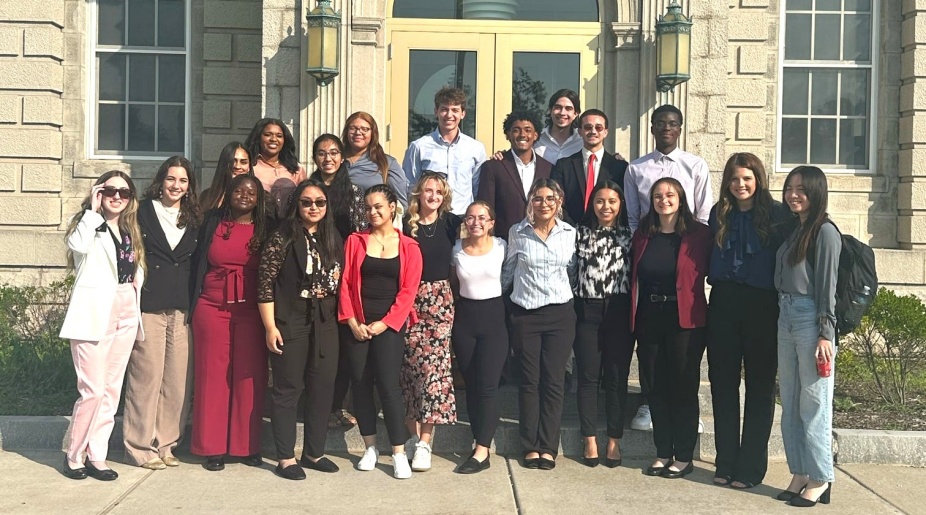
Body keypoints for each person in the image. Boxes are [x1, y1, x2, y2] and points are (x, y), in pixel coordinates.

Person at [624, 103, 713, 432]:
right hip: (651, 247)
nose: (666, 128)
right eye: (660, 123)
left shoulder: (695, 166)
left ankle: (687, 408)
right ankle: (648, 402)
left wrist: (693, 249)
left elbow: (703, 214)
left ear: (680, 128)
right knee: (649, 344)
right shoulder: (636, 169)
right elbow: (633, 217)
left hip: (685, 248)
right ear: (652, 128)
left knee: (684, 347)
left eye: (672, 124)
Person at [707, 153, 793, 489]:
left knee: (759, 386)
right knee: (723, 384)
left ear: (757, 178)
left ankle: (751, 466)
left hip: (762, 304)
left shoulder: (777, 216)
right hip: (724, 301)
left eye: (746, 178)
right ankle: (725, 461)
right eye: (734, 179)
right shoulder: (720, 214)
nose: (740, 185)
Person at [60, 171, 146, 481]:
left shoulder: (129, 231)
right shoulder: (89, 225)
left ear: (131, 197)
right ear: (99, 191)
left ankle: (98, 455)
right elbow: (77, 246)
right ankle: (73, 454)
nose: (117, 196)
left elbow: (134, 272)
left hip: (125, 310)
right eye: (110, 189)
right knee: (93, 391)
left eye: (124, 191)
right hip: (94, 315)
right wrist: (91, 211)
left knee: (111, 391)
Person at [258, 180, 344, 480]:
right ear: (297, 204)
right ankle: (285, 457)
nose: (313, 208)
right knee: (288, 389)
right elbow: (265, 284)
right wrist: (270, 326)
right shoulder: (282, 236)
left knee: (322, 388)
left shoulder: (332, 235)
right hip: (291, 317)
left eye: (320, 202)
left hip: (325, 319)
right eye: (307, 202)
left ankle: (314, 453)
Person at [338, 184, 423, 480]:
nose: (372, 212)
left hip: (390, 325)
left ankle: (399, 452)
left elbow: (408, 291)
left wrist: (386, 323)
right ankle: (370, 447)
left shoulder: (409, 247)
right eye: (368, 208)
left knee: (389, 386)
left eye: (378, 207)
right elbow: (346, 283)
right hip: (358, 324)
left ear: (392, 208)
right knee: (360, 383)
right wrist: (351, 321)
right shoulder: (355, 241)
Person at [123, 157, 200, 471]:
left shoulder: (194, 217)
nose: (176, 186)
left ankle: (166, 444)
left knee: (177, 381)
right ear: (161, 180)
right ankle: (140, 447)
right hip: (150, 306)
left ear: (189, 186)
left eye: (183, 181)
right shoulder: (141, 212)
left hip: (181, 308)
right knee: (146, 378)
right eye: (171, 179)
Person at [189, 174, 271, 471]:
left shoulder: (265, 228)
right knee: (213, 375)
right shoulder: (212, 221)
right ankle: (212, 447)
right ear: (229, 193)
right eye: (239, 190)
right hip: (212, 306)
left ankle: (246, 445)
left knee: (249, 376)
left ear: (259, 198)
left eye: (251, 191)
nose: (245, 195)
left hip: (251, 310)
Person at [631, 177, 711, 480]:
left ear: (680, 199)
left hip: (685, 322)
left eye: (670, 195)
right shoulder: (643, 234)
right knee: (654, 387)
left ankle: (683, 455)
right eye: (658, 195)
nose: (663, 199)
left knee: (683, 387)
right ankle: (662, 452)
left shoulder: (698, 235)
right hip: (650, 318)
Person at [774, 166, 840, 507]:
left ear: (816, 192)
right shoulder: (795, 230)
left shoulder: (825, 232)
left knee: (814, 405)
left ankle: (820, 477)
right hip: (785, 316)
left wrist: (825, 335)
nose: (793, 194)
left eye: (801, 189)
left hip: (811, 322)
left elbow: (827, 288)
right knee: (790, 405)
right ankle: (799, 471)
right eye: (789, 188)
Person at [502, 177, 577, 471]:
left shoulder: (570, 233)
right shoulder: (517, 232)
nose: (543, 204)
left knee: (555, 382)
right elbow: (508, 272)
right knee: (529, 381)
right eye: (538, 199)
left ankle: (548, 446)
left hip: (560, 314)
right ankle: (530, 445)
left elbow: (572, 271)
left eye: (549, 199)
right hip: (526, 314)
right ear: (530, 202)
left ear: (558, 203)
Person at [401, 172, 461, 472]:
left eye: (439, 191)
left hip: (440, 300)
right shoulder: (405, 224)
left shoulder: (451, 223)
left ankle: (426, 441)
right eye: (428, 190)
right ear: (418, 193)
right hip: (409, 299)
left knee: (433, 372)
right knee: (410, 370)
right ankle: (411, 437)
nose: (433, 196)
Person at [573, 181, 633, 468]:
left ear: (620, 204)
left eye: (612, 201)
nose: (605, 206)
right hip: (588, 311)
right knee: (586, 378)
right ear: (591, 204)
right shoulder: (579, 234)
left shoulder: (630, 234)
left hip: (619, 312)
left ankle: (613, 440)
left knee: (616, 378)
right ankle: (589, 439)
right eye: (599, 201)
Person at [309, 133, 366, 430]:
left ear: (342, 158)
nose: (327, 158)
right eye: (321, 153)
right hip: (310, 272)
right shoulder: (307, 189)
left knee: (341, 346)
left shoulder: (353, 191)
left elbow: (358, 234)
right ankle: (312, 405)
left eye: (333, 153)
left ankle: (335, 407)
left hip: (341, 274)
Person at [450, 201, 508, 474]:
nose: (476, 222)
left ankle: (483, 450)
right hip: (465, 320)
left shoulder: (502, 247)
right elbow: (452, 283)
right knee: (471, 384)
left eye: (482, 217)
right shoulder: (456, 250)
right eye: (470, 217)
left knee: (487, 385)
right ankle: (478, 438)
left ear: (492, 222)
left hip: (494, 319)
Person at [403, 86, 487, 215]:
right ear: (436, 111)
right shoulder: (419, 147)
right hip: (430, 218)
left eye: (455, 110)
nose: (449, 115)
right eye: (444, 109)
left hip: (463, 219)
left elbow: (477, 188)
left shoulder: (475, 148)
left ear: (463, 114)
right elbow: (410, 186)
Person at [476, 110, 553, 241]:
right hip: (504, 240)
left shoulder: (548, 168)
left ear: (535, 135)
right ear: (508, 135)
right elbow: (485, 208)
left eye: (528, 130)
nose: (522, 134)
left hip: (540, 240)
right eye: (516, 130)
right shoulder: (493, 167)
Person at [550, 109, 628, 225]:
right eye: (587, 127)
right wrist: (572, 229)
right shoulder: (563, 166)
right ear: (580, 131)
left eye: (598, 128)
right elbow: (557, 201)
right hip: (570, 232)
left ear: (606, 132)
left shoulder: (620, 167)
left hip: (608, 233)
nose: (593, 131)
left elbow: (624, 204)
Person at [342, 111, 409, 209]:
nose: (358, 132)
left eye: (364, 129)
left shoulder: (387, 163)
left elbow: (401, 204)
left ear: (373, 133)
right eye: (353, 128)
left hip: (373, 221)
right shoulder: (335, 160)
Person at [245, 118, 307, 216]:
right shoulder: (249, 167)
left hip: (288, 227)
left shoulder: (296, 168)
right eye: (268, 135)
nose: (274, 139)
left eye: (279, 136)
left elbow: (305, 199)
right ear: (258, 138)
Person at [534, 89, 584, 166]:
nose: (562, 113)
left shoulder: (582, 142)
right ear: (550, 110)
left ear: (576, 114)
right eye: (558, 107)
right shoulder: (536, 139)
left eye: (568, 109)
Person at [200, 142, 252, 211]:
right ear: (223, 163)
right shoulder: (206, 196)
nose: (237, 166)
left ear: (249, 167)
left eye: (243, 162)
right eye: (233, 161)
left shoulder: (260, 197)